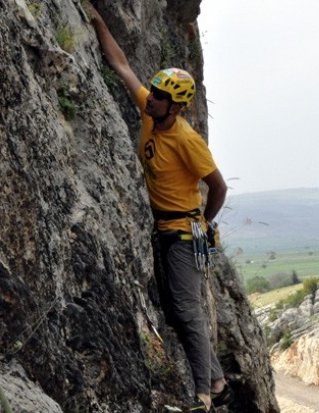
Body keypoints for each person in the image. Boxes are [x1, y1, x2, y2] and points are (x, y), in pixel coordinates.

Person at [85, 3, 234, 411]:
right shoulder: (153, 114)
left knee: (188, 312)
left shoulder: (186, 140)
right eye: (155, 94)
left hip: (185, 234)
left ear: (177, 106)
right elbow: (121, 65)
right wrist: (98, 21)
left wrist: (203, 221)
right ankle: (219, 382)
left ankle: (203, 397)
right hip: (166, 229)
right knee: (175, 309)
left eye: (162, 98)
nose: (152, 100)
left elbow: (218, 187)